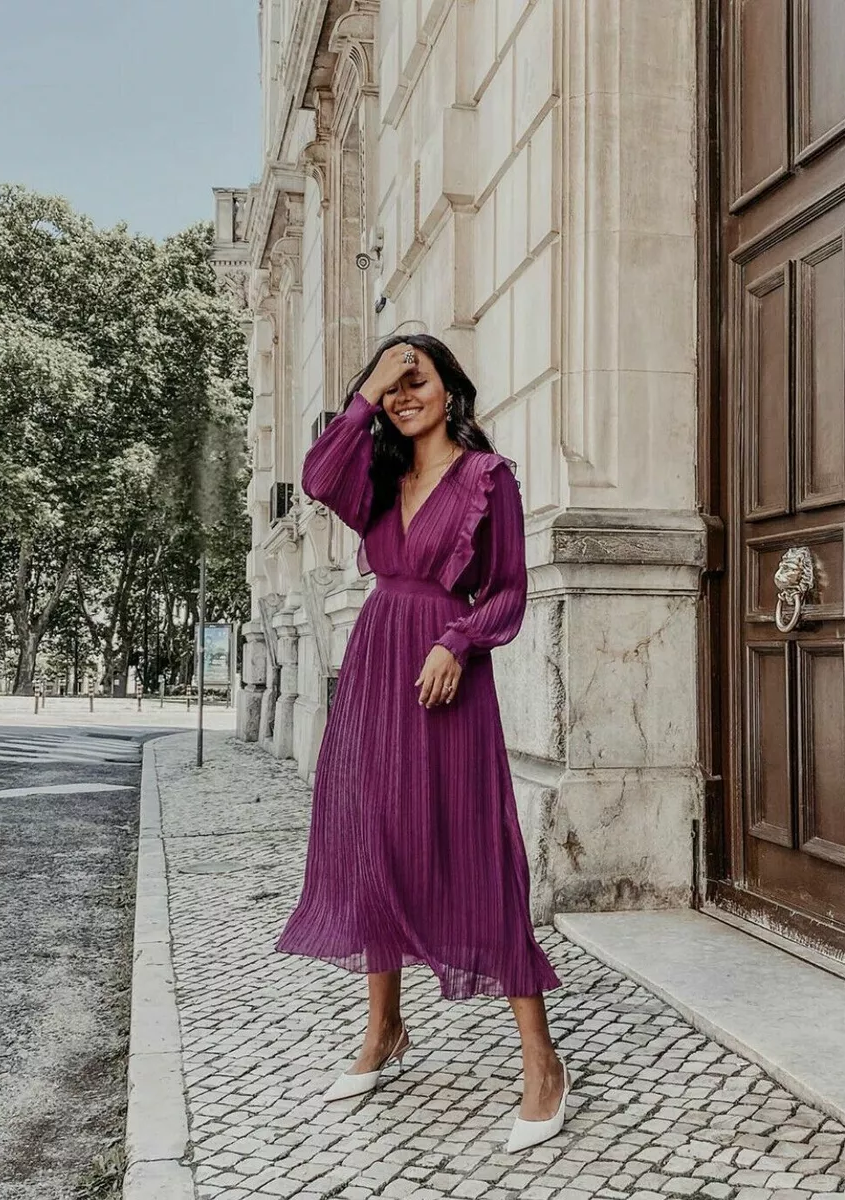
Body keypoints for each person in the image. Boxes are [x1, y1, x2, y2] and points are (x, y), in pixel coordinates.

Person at [274, 334, 570, 1152]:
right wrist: (367, 387)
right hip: (375, 666)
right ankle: (384, 1029)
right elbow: (315, 476)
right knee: (377, 841)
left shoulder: (487, 478)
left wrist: (459, 640)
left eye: (419, 378)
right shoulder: (375, 478)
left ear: (451, 388)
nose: (406, 394)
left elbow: (508, 586)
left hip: (445, 673)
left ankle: (542, 1065)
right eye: (393, 384)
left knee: (476, 850)